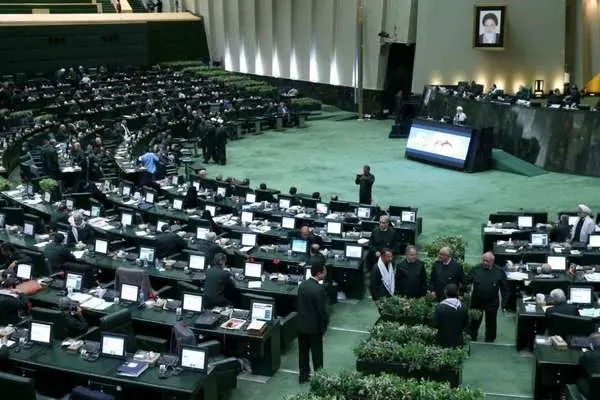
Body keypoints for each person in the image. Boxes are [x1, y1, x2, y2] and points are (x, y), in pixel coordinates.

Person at [297, 261, 329, 384]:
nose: (325, 274)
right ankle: (319, 378)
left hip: (301, 325)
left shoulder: (302, 285)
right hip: (314, 328)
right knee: (317, 354)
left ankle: (303, 376)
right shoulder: (319, 290)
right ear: (319, 273)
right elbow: (322, 312)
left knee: (303, 353)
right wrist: (324, 328)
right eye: (324, 272)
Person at [467, 252, 508, 343]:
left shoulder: (499, 271)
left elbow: (505, 289)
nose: (485, 263)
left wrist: (504, 303)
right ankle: (472, 336)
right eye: (484, 260)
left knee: (491, 322)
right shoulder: (476, 269)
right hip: (477, 301)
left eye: (487, 261)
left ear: (492, 261)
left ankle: (490, 339)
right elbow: (467, 280)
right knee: (475, 320)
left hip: (492, 302)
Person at [433, 283, 468, 348]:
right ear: (458, 292)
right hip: (458, 342)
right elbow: (465, 324)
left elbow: (435, 324)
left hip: (442, 341)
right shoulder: (463, 307)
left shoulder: (440, 307)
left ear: (445, 292)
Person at [576, 332, 600, 399]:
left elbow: (581, 365)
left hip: (594, 394)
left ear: (591, 345)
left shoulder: (588, 355)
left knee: (580, 380)